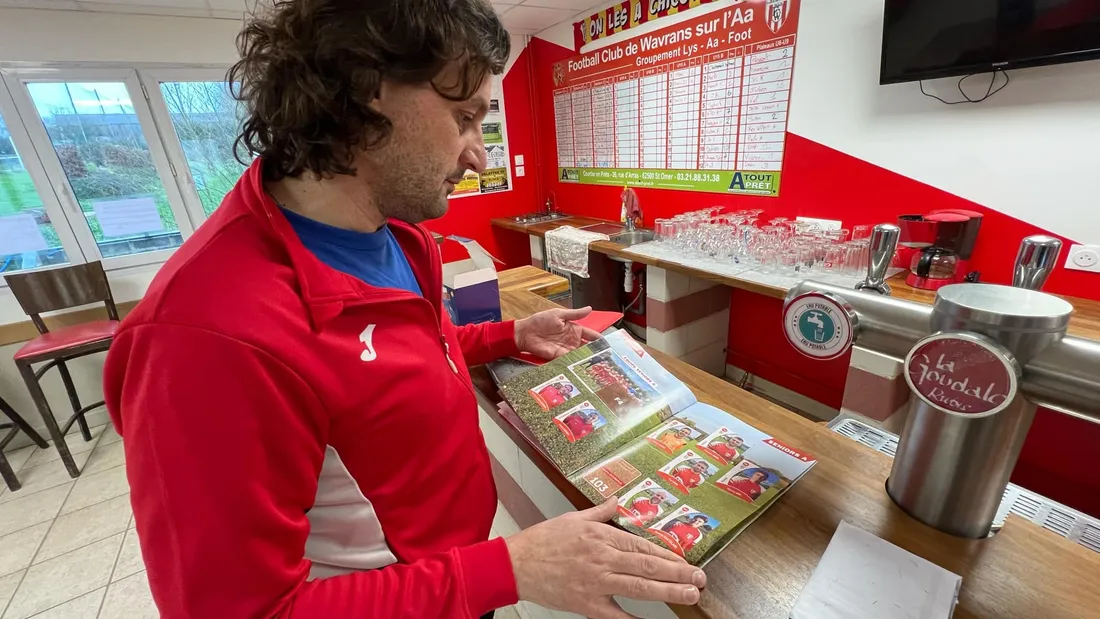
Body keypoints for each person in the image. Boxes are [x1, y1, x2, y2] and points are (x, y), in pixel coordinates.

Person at [101, 2, 706, 617]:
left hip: (449, 576)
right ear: (364, 92)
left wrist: (510, 332)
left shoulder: (400, 236)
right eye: (464, 117)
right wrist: (506, 569)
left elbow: (399, 361)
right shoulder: (204, 336)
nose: (480, 156)